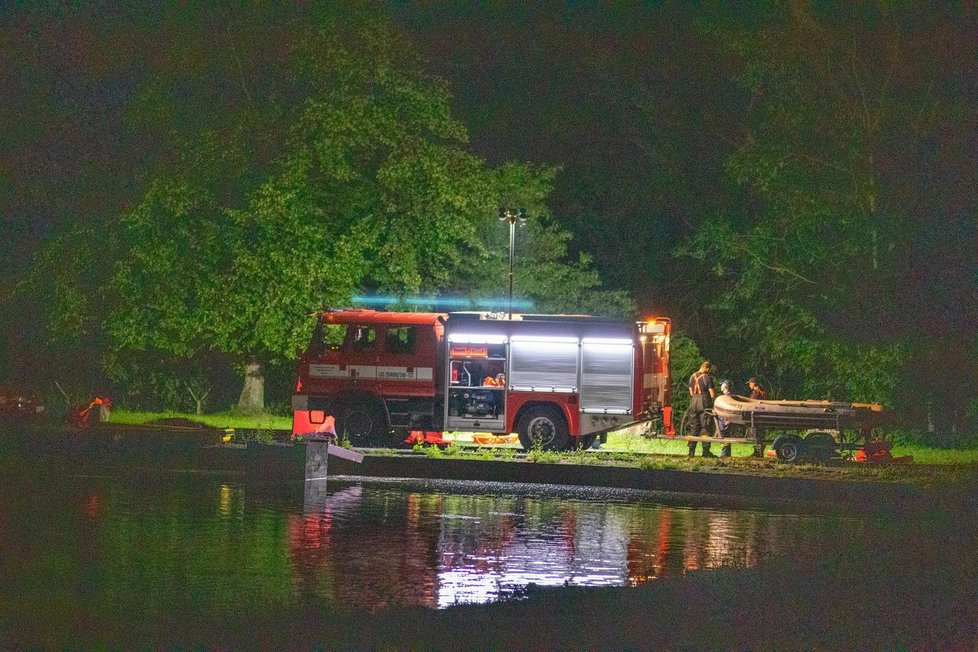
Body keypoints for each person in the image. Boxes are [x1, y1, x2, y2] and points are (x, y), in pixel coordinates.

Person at [687, 361, 716, 457]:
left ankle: (691, 452)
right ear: (707, 369)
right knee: (705, 426)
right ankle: (706, 452)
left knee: (694, 427)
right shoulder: (707, 378)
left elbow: (691, 392)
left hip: (693, 402)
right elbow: (712, 394)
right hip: (704, 403)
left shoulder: (692, 377)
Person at [747, 377, 767, 457]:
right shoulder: (762, 392)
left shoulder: (756, 393)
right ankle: (759, 451)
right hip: (763, 417)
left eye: (750, 383)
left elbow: (752, 404)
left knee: (756, 434)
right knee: (761, 434)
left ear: (753, 384)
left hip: (756, 418)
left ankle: (757, 452)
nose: (749, 385)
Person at [717, 379, 733, 457]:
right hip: (725, 420)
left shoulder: (727, 397)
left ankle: (724, 454)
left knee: (724, 435)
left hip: (724, 421)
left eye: (722, 385)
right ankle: (727, 454)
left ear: (725, 386)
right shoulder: (728, 396)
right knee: (726, 435)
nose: (720, 386)